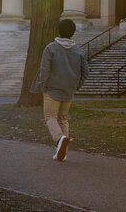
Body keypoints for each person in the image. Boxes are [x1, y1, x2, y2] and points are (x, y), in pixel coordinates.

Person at [33, 19, 89, 161]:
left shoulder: (51, 48)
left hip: (52, 89)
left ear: (59, 30)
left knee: (50, 117)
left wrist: (43, 86)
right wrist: (76, 86)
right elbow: (85, 73)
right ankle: (62, 154)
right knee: (63, 119)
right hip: (68, 90)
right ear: (73, 32)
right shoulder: (79, 51)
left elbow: (44, 70)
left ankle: (59, 139)